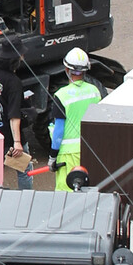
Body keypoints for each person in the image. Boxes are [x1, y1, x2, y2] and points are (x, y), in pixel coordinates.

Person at [49, 46, 101, 191]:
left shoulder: (61, 95)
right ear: (85, 71)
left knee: (65, 194)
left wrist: (53, 157)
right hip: (89, 150)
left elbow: (59, 130)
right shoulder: (95, 91)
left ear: (67, 70)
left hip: (67, 155)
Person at [0, 38, 30, 187]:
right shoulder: (14, 82)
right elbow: (14, 115)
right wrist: (18, 143)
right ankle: (27, 201)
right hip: (10, 137)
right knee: (24, 171)